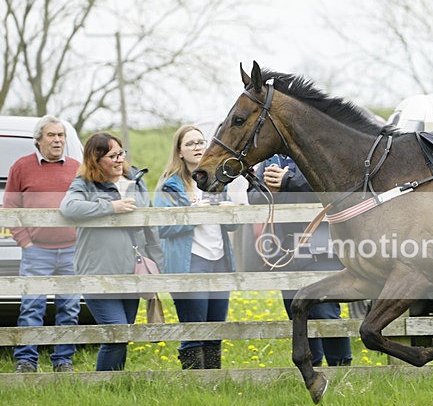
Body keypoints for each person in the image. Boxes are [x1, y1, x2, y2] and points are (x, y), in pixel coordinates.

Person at [60, 132, 163, 371]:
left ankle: (113, 384)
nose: (119, 160)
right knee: (116, 333)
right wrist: (110, 207)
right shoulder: (84, 183)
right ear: (96, 160)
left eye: (120, 154)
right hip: (98, 273)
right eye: (112, 155)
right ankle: (103, 383)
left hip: (132, 270)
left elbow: (150, 227)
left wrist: (157, 265)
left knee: (123, 334)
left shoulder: (136, 180)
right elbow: (69, 207)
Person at [249, 155, 352, 366]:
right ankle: (310, 367)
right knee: (296, 314)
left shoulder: (315, 152)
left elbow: (325, 189)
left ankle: (341, 368)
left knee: (325, 313)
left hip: (321, 249)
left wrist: (288, 181)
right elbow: (253, 196)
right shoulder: (270, 161)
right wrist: (273, 190)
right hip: (285, 252)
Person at [3, 115, 81, 373]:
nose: (57, 140)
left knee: (69, 307)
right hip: (36, 251)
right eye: (51, 135)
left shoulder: (76, 168)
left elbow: (86, 205)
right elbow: (10, 207)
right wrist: (25, 242)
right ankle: (26, 361)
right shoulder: (21, 167)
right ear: (38, 140)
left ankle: (63, 361)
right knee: (32, 307)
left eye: (61, 135)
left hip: (71, 251)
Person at [154, 125, 236, 369]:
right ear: (179, 151)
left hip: (219, 260)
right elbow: (163, 228)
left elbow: (233, 227)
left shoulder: (217, 180)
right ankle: (194, 382)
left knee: (215, 328)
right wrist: (193, 215)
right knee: (194, 328)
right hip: (190, 261)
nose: (197, 147)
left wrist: (229, 212)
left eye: (201, 142)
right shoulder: (170, 186)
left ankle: (213, 381)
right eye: (190, 143)